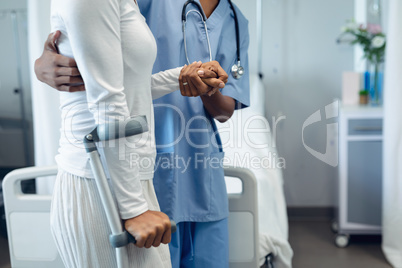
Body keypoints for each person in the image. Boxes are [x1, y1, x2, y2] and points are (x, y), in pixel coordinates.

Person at [35, 0, 250, 267]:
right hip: (123, 165)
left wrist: (198, 80)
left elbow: (223, 110)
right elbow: (106, 95)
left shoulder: (234, 19)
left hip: (188, 165)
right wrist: (41, 65)